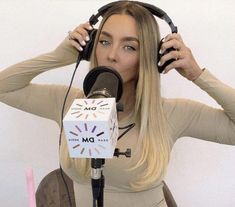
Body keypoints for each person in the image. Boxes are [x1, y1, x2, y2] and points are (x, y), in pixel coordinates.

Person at [0, 1, 235, 206]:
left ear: (152, 58)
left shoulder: (172, 113)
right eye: (103, 42)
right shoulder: (69, 104)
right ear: (90, 48)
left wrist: (197, 74)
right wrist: (57, 57)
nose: (112, 55)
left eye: (129, 47)